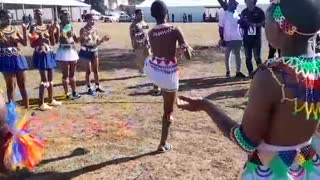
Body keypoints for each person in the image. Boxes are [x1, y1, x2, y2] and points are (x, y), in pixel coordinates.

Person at [177, 0, 320, 179]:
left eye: (267, 22)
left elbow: (247, 141)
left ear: (283, 28)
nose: (265, 28)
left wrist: (206, 106)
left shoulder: (271, 76)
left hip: (273, 171)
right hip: (309, 167)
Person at [144, 0, 192, 152]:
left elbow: (157, 51)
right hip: (169, 73)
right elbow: (188, 56)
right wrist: (185, 48)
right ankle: (162, 143)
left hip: (154, 70)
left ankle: (159, 91)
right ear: (167, 13)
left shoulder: (150, 32)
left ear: (152, 15)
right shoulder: (175, 29)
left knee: (167, 98)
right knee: (168, 111)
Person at [29, 9, 62, 111]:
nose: (39, 16)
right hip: (40, 54)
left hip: (49, 53)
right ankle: (41, 103)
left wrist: (52, 32)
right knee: (44, 80)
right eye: (37, 14)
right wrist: (40, 39)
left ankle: (51, 99)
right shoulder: (33, 28)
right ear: (34, 16)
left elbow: (53, 43)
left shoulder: (48, 27)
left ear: (43, 15)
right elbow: (32, 45)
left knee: (51, 79)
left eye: (40, 14)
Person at [0, 10, 29, 108]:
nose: (9, 20)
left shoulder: (14, 29)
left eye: (10, 17)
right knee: (11, 86)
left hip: (18, 58)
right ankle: (12, 111)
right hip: (5, 60)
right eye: (6, 18)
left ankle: (27, 108)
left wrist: (24, 30)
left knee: (23, 84)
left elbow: (24, 43)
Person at [79, 14, 110, 95]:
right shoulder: (83, 30)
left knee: (96, 70)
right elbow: (81, 43)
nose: (93, 21)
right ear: (86, 20)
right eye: (91, 19)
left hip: (94, 51)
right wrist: (85, 40)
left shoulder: (95, 29)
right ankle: (88, 87)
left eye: (94, 19)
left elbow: (97, 42)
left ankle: (97, 86)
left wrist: (103, 39)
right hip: (86, 51)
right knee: (88, 71)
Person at [55, 10, 81, 100]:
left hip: (72, 51)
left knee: (72, 74)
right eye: (66, 15)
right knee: (65, 74)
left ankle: (74, 92)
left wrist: (82, 36)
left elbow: (76, 40)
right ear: (61, 16)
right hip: (63, 51)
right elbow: (56, 40)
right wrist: (59, 32)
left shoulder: (71, 26)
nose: (69, 17)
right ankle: (67, 93)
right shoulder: (58, 27)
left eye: (69, 16)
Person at [218, 0, 246, 78]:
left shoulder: (237, 14)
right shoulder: (224, 14)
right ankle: (228, 71)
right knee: (227, 55)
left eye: (236, 5)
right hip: (228, 39)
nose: (236, 6)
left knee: (238, 55)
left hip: (237, 38)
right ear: (230, 4)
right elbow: (221, 27)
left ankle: (238, 71)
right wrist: (222, 38)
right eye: (234, 4)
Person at [239, 0, 265, 76]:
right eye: (247, 0)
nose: (248, 1)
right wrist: (241, 23)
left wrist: (254, 25)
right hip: (246, 38)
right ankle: (251, 73)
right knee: (248, 57)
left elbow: (263, 23)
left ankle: (261, 74)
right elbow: (241, 25)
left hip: (256, 38)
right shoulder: (244, 12)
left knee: (257, 57)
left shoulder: (259, 11)